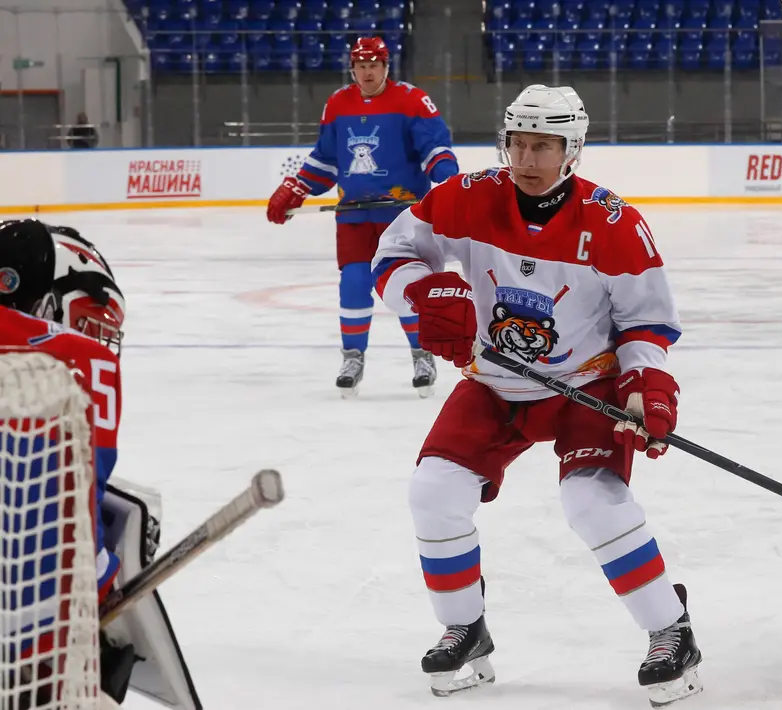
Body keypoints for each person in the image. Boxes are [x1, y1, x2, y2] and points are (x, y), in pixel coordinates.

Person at [371, 84, 703, 706]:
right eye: (518, 144)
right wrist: (422, 298)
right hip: (495, 380)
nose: (526, 159)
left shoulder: (612, 223)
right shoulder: (464, 198)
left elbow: (648, 323)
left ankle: (671, 631)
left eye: (543, 146)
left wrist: (647, 387)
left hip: (586, 384)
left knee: (592, 502)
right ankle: (465, 628)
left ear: (571, 149)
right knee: (434, 491)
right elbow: (392, 254)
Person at [0, 220, 201, 708]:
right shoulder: (79, 359)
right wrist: (117, 552)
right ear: (43, 300)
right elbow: (56, 557)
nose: (96, 337)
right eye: (87, 317)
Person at [265, 36, 459, 398]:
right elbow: (325, 158)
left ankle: (422, 355)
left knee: (407, 285)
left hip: (401, 218)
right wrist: (296, 187)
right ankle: (352, 357)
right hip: (354, 216)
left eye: (375, 65)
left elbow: (434, 145)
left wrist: (447, 179)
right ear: (352, 67)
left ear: (386, 66)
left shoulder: (412, 100)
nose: (368, 72)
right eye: (361, 65)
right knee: (353, 284)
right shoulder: (338, 104)